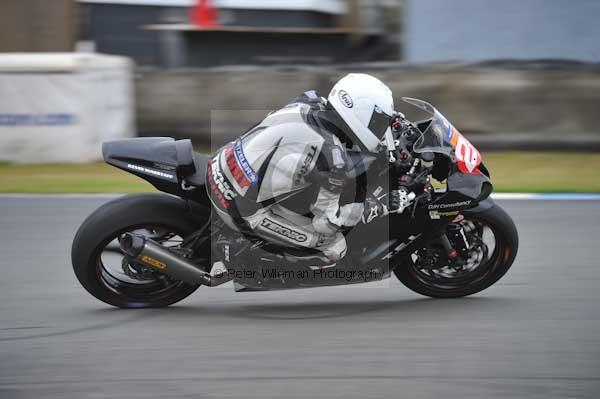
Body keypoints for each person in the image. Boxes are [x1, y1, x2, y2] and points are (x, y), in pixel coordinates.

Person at [206, 73, 409, 264]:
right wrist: (378, 207)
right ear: (360, 114)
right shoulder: (333, 159)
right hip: (237, 204)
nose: (380, 127)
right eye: (378, 122)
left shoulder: (309, 101)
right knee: (335, 246)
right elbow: (328, 223)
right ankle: (257, 262)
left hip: (222, 162)